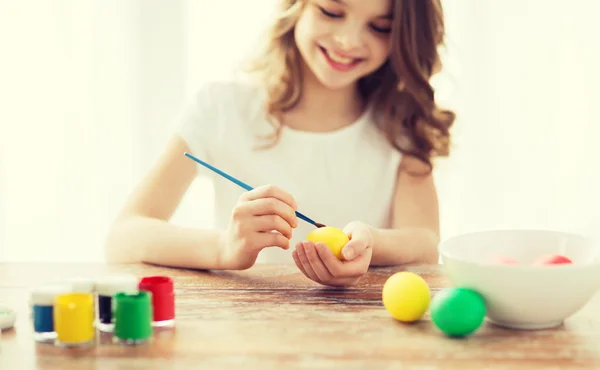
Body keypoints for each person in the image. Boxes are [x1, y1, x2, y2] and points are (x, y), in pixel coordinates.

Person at [105, 0, 455, 287]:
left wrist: (370, 244)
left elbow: (426, 243)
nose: (348, 40)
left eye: (380, 27)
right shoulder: (220, 110)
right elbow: (123, 237)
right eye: (331, 12)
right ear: (295, 7)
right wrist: (225, 248)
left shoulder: (402, 126)